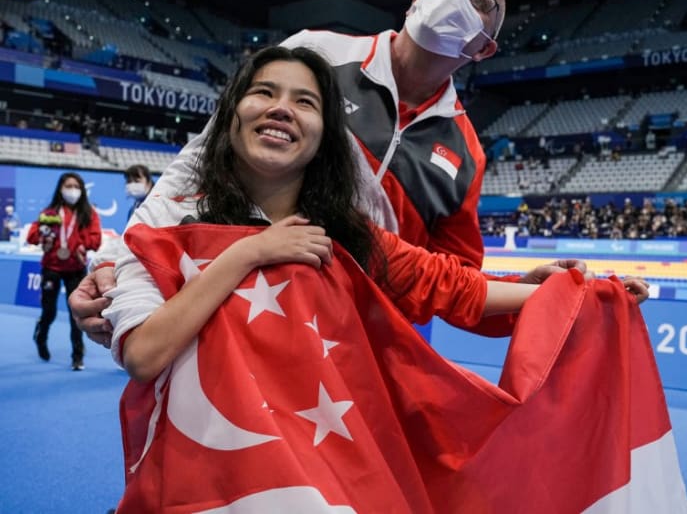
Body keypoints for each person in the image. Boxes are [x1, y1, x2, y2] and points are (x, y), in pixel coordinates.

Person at [103, 46, 649, 511]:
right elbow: (143, 354)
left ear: (324, 136)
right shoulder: (164, 224)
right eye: (263, 93)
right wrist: (250, 253)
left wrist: (565, 292)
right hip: (200, 485)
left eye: (305, 101)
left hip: (322, 484)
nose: (282, 110)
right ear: (231, 114)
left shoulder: (349, 236)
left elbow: (445, 283)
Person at [71, 0, 587, 344]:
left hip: (362, 349)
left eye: (482, 0)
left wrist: (523, 289)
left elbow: (450, 281)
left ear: (483, 48)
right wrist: (116, 261)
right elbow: (198, 159)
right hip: (253, 305)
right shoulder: (316, 52)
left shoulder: (466, 151)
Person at [27, 172, 101, 370]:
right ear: (60, 189)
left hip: (76, 269)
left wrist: (84, 246)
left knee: (76, 314)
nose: (72, 190)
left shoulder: (89, 213)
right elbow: (32, 236)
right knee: (49, 311)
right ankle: (41, 335)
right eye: (68, 186)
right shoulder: (50, 213)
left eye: (76, 186)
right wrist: (44, 240)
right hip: (51, 267)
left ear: (82, 190)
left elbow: (96, 239)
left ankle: (77, 356)